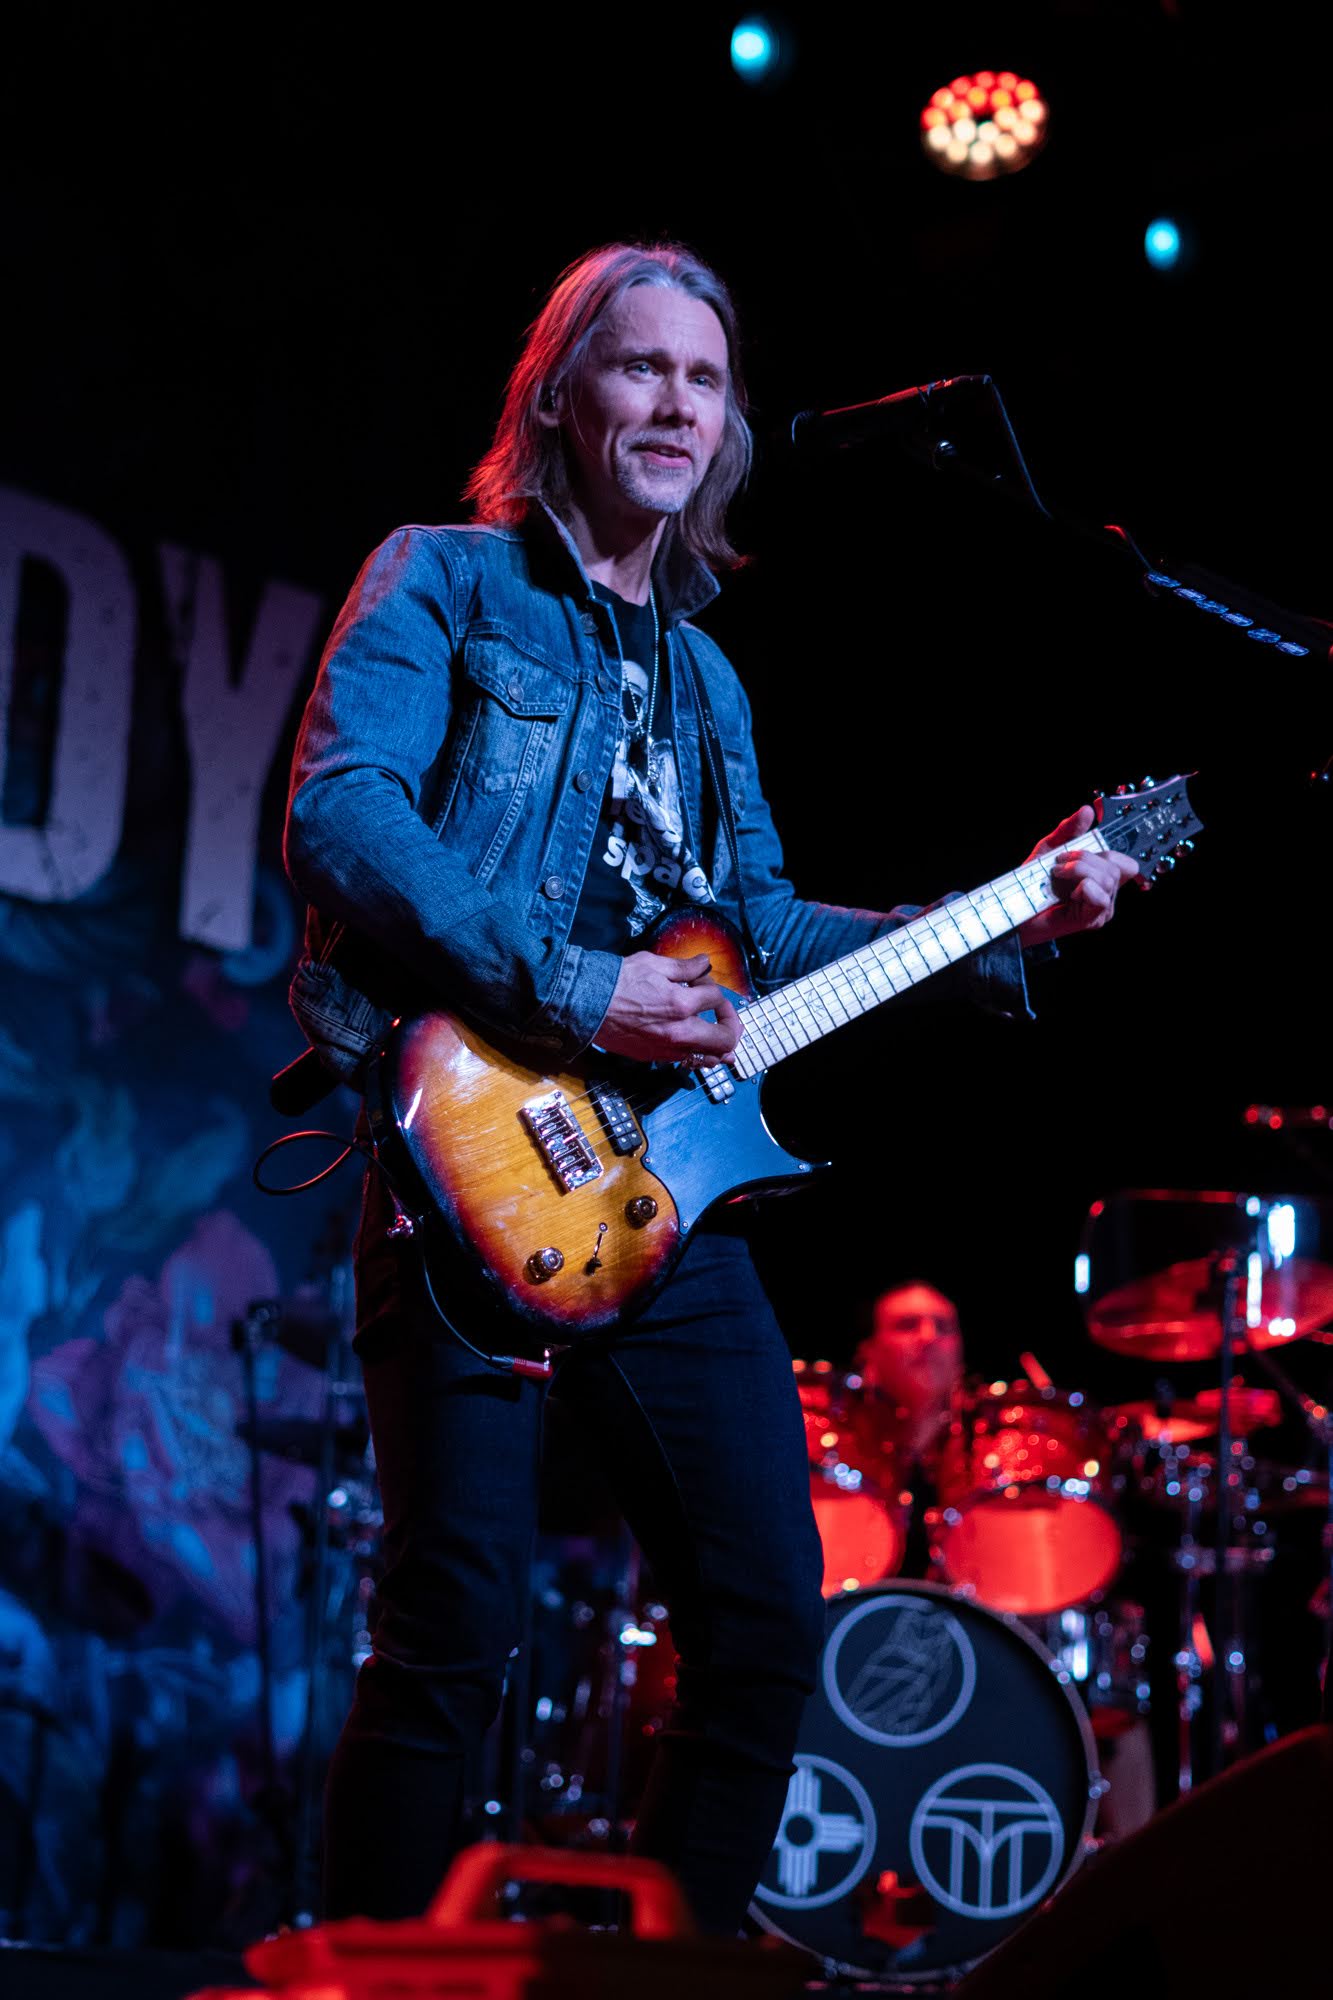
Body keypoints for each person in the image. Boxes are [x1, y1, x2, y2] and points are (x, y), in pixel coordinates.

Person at [282, 241, 1138, 1934]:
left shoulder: (708, 678)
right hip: (475, 1156)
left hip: (667, 1183)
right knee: (453, 1625)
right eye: (640, 367)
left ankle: (661, 1978)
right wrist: (577, 982)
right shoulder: (445, 581)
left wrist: (1000, 913)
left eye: (704, 377)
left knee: (763, 1620)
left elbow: (760, 927)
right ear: (561, 398)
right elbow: (345, 811)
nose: (676, 404)